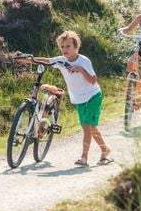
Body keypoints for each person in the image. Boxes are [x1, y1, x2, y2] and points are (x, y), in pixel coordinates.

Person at [18, 30, 113, 167]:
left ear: (76, 47)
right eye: (62, 47)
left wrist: (80, 69)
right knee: (90, 128)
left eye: (68, 46)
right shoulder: (61, 61)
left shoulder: (83, 61)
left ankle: (84, 157)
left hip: (93, 96)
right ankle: (105, 150)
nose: (64, 49)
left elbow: (93, 80)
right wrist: (24, 59)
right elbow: (45, 60)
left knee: (87, 126)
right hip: (79, 99)